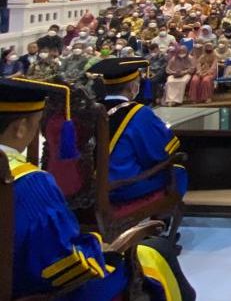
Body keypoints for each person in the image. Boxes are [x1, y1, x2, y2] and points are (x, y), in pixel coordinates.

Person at [1, 77, 194, 300]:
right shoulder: (29, 183)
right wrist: (99, 245)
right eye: (36, 123)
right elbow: (64, 264)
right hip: (36, 291)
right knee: (157, 254)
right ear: (20, 128)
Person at [89, 58, 188, 206]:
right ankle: (161, 222)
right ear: (132, 87)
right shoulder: (139, 113)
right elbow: (160, 153)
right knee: (178, 172)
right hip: (119, 188)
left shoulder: (89, 110)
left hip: (87, 186)